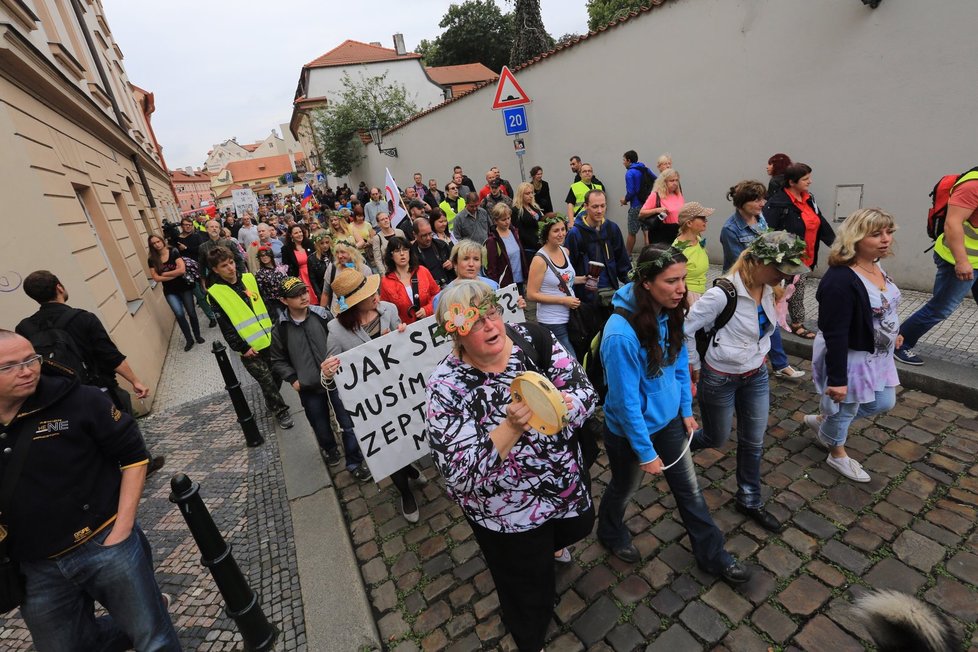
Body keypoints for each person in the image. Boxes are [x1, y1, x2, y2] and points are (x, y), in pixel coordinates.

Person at [426, 280, 596, 652]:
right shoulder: (446, 387)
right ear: (456, 335)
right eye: (475, 322)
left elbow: (586, 394)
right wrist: (511, 428)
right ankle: (528, 634)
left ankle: (549, 557)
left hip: (564, 488)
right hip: (508, 515)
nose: (491, 326)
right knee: (526, 590)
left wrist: (556, 405)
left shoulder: (532, 338)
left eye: (492, 313)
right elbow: (459, 475)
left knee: (581, 526)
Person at [0, 331, 181, 651]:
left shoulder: (78, 399)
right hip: (35, 566)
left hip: (104, 543)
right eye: (10, 366)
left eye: (31, 360)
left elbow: (135, 457)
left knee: (152, 637)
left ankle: (152, 612)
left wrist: (122, 529)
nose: (27, 370)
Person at [598, 245, 751, 585]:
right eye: (671, 281)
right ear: (647, 283)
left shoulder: (671, 311)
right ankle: (609, 531)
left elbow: (679, 363)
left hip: (668, 424)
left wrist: (684, 411)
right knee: (623, 488)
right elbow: (624, 405)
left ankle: (713, 555)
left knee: (690, 491)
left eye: (683, 278)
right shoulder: (620, 335)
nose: (682, 288)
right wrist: (645, 451)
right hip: (628, 434)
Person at [686, 231, 810, 532]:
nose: (784, 275)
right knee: (716, 438)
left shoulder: (769, 289)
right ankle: (677, 446)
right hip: (720, 377)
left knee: (753, 441)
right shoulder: (722, 293)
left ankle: (749, 498)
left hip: (755, 376)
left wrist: (762, 352)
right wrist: (695, 365)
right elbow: (686, 327)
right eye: (780, 269)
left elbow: (765, 329)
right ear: (757, 262)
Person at [320, 268, 433, 514]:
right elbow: (334, 379)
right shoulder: (337, 330)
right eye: (368, 293)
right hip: (372, 404)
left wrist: (400, 335)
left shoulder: (389, 310)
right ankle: (405, 492)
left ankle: (411, 468)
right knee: (388, 447)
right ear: (353, 302)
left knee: (405, 436)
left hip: (400, 391)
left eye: (373, 289)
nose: (376, 295)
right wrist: (327, 372)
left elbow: (404, 351)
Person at [807, 209, 901, 482]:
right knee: (846, 407)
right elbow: (834, 333)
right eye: (876, 234)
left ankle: (825, 422)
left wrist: (895, 331)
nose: (886, 239)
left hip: (878, 356)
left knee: (883, 401)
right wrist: (837, 379)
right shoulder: (840, 280)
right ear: (855, 237)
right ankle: (836, 453)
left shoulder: (875, 264)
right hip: (851, 359)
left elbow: (884, 306)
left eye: (889, 232)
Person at [269, 276, 370, 480]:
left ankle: (354, 461)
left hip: (337, 382)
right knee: (320, 424)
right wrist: (293, 379)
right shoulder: (280, 328)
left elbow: (341, 337)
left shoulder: (322, 315)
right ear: (284, 300)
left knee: (348, 422)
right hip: (309, 387)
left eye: (304, 292)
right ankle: (330, 448)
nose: (303, 297)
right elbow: (277, 359)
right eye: (295, 295)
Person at [719, 180, 805, 379]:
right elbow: (740, 263)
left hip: (763, 280)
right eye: (756, 199)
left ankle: (778, 363)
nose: (762, 203)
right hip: (743, 284)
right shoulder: (730, 229)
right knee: (753, 323)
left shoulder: (760, 219)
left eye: (762, 198)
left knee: (770, 321)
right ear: (742, 202)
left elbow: (770, 246)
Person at [894, 168, 978, 365]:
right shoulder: (973, 186)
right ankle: (899, 343)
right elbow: (952, 223)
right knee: (941, 308)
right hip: (957, 259)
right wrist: (962, 262)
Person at [205, 247, 295, 430]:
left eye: (231, 263)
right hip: (249, 347)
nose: (230, 268)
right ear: (215, 269)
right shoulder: (215, 293)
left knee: (277, 375)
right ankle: (280, 411)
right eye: (224, 266)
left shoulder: (249, 279)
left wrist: (276, 330)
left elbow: (265, 305)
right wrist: (242, 347)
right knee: (266, 380)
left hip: (269, 339)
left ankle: (272, 401)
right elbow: (226, 326)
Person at [764, 163, 836, 339]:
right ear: (791, 182)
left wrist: (837, 244)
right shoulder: (779, 203)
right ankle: (788, 323)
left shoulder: (809, 199)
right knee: (790, 290)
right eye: (805, 179)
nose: (810, 182)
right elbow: (768, 232)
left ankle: (787, 321)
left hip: (808, 256)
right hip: (788, 259)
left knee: (796, 289)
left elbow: (820, 222)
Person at [526, 215, 580, 358]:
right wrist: (562, 300)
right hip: (552, 320)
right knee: (571, 361)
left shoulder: (564, 251)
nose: (561, 234)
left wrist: (585, 279)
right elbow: (531, 294)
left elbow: (565, 280)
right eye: (556, 231)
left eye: (563, 229)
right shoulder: (539, 259)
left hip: (570, 316)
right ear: (546, 234)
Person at [566, 189, 631, 304]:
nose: (600, 211)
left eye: (603, 206)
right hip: (585, 295)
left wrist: (631, 282)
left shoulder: (612, 228)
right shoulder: (575, 233)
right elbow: (568, 267)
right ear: (586, 206)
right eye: (595, 207)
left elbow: (622, 261)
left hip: (610, 289)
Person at [147, 234, 205, 351]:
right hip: (170, 291)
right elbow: (156, 278)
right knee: (179, 314)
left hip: (184, 287)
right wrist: (174, 273)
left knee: (192, 312)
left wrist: (164, 274)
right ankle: (189, 339)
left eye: (158, 241)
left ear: (162, 241)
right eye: (153, 243)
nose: (157, 245)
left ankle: (197, 335)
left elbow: (182, 270)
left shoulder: (173, 251)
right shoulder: (152, 259)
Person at [379, 237, 438, 324]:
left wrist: (427, 309)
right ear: (391, 255)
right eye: (397, 251)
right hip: (407, 331)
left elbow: (437, 295)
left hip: (431, 322)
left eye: (405, 249)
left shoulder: (422, 271)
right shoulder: (386, 282)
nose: (402, 254)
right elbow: (386, 310)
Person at [175, 217, 218, 327]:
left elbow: (200, 249)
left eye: (190, 224)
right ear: (182, 226)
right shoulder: (177, 239)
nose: (188, 226)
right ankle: (211, 317)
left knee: (211, 290)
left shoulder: (197, 236)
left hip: (202, 266)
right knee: (200, 296)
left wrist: (186, 248)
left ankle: (219, 311)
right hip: (188, 272)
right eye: (185, 224)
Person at [672, 202, 713, 305]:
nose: (705, 221)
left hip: (700, 291)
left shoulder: (698, 239)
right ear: (689, 223)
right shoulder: (678, 249)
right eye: (702, 218)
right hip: (687, 295)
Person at [621, 150, 657, 255]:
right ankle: (649, 256)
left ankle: (627, 257)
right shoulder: (645, 169)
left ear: (629, 160)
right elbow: (657, 180)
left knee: (632, 233)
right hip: (647, 205)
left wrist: (625, 200)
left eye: (624, 160)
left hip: (636, 206)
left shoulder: (629, 173)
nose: (623, 162)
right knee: (646, 232)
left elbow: (631, 192)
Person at [485, 203, 528, 292]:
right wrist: (495, 288)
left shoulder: (514, 232)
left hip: (519, 281)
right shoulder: (492, 240)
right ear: (496, 221)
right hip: (505, 285)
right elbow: (492, 268)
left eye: (508, 218)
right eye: (503, 219)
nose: (507, 222)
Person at [639, 168, 684, 244]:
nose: (675, 183)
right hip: (661, 234)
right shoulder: (656, 195)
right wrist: (657, 210)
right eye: (672, 180)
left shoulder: (678, 195)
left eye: (676, 180)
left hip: (678, 232)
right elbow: (641, 214)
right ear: (664, 182)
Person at [411, 217, 455, 288]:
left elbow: (457, 263)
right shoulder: (411, 254)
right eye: (424, 236)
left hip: (450, 285)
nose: (428, 238)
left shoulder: (442, 245)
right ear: (415, 235)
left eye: (430, 234)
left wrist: (452, 264)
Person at [281, 224, 319, 305]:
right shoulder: (286, 249)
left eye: (300, 232)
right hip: (300, 277)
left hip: (314, 274)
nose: (299, 234)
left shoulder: (309, 244)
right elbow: (286, 267)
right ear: (291, 235)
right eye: (296, 233)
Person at [512, 181, 545, 258]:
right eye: (527, 193)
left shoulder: (534, 206)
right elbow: (520, 232)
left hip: (540, 244)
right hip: (529, 248)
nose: (530, 196)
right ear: (521, 195)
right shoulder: (515, 210)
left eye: (531, 193)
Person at [254, 245, 287, 320]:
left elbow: (286, 279)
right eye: (261, 256)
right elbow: (261, 291)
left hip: (286, 298)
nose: (264, 257)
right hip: (274, 303)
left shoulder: (279, 267)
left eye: (266, 254)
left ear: (270, 255)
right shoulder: (260, 273)